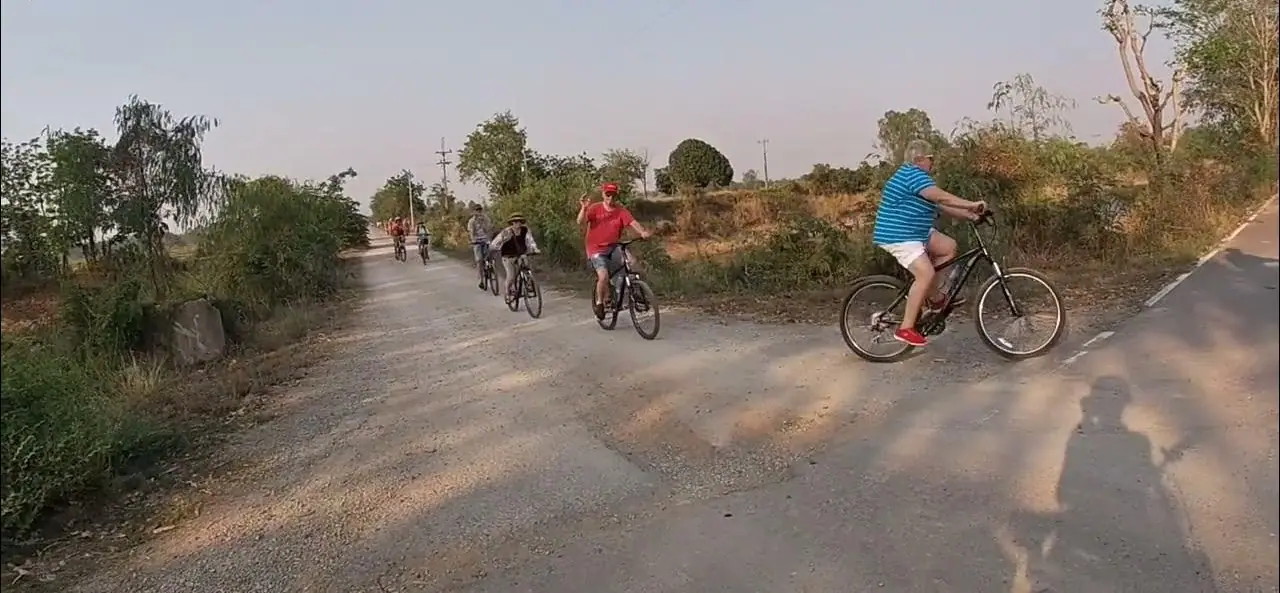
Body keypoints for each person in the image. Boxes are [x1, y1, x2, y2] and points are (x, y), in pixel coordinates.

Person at [872, 140, 986, 347]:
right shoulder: (911, 175)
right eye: (930, 159)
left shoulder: (919, 178)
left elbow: (941, 205)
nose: (933, 163)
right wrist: (972, 204)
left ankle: (933, 298)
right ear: (919, 159)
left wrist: (972, 216)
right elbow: (942, 197)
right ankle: (905, 328)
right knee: (925, 273)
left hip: (916, 232)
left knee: (948, 248)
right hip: (899, 236)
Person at [576, 182, 651, 319]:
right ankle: (600, 303)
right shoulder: (594, 208)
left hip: (614, 246)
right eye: (608, 194)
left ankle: (638, 294)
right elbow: (580, 222)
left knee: (633, 264)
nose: (610, 198)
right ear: (603, 195)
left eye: (613, 195)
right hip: (596, 249)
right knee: (603, 276)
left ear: (617, 196)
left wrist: (642, 232)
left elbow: (632, 222)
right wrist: (584, 208)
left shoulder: (620, 210)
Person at [489, 213, 541, 302]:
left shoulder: (525, 230)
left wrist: (534, 249)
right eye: (515, 221)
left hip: (521, 254)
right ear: (512, 223)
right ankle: (507, 293)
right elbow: (495, 243)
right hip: (508, 256)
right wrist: (496, 248)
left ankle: (528, 284)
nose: (518, 223)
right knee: (511, 276)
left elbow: (530, 240)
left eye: (520, 221)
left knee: (527, 267)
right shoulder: (506, 232)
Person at [466, 203, 494, 288]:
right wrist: (473, 240)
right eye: (477, 210)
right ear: (474, 212)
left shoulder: (486, 219)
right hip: (477, 241)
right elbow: (471, 232)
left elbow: (489, 229)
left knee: (489, 255)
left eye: (480, 210)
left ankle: (491, 269)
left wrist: (483, 223)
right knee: (479, 260)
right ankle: (481, 280)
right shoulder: (472, 221)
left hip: (485, 239)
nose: (479, 212)